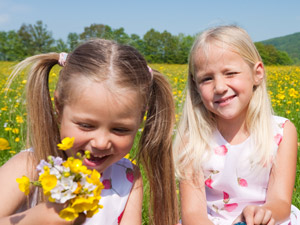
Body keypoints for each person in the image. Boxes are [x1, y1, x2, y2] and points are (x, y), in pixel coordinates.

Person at [0, 39, 179, 225]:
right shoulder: (31, 167)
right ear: (59, 107)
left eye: (120, 129)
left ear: (140, 119)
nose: (101, 143)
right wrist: (36, 219)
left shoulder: (127, 176)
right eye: (86, 125)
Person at [173, 25, 299, 225]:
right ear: (195, 86)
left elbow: (281, 202)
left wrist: (262, 214)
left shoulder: (282, 132)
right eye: (207, 79)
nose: (220, 87)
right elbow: (193, 215)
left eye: (230, 73)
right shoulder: (191, 140)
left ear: (257, 74)